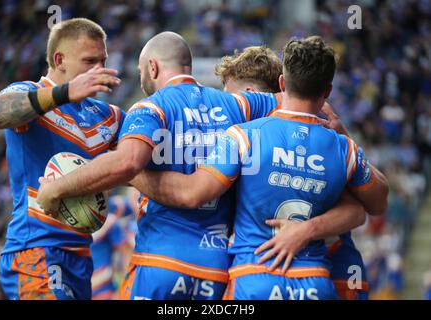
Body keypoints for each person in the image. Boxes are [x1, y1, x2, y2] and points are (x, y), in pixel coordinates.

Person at [36, 32, 364, 300]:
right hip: (217, 271)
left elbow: (127, 163)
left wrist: (57, 188)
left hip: (161, 262)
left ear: (151, 67)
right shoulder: (239, 106)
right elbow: (301, 98)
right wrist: (337, 129)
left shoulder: (149, 108)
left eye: (140, 72)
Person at [129, 36, 389, 300]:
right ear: (327, 90)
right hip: (323, 279)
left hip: (259, 277)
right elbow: (364, 208)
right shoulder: (340, 146)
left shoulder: (243, 138)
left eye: (233, 98)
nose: (226, 111)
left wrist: (129, 168)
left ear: (276, 87)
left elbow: (193, 192)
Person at [0, 18, 124, 300]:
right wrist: (63, 94)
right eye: (89, 61)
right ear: (60, 60)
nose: (99, 70)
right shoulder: (28, 93)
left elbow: (134, 163)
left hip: (81, 257)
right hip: (35, 250)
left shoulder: (108, 116)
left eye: (103, 60)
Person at [215, 45, 372, 300]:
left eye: (231, 99)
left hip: (315, 272)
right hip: (315, 278)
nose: (226, 113)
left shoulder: (250, 139)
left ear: (249, 94)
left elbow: (359, 209)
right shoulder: (323, 135)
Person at [91, 195, 134, 300]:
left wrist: (123, 292)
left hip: (104, 292)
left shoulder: (110, 221)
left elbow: (127, 258)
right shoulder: (60, 221)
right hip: (76, 291)